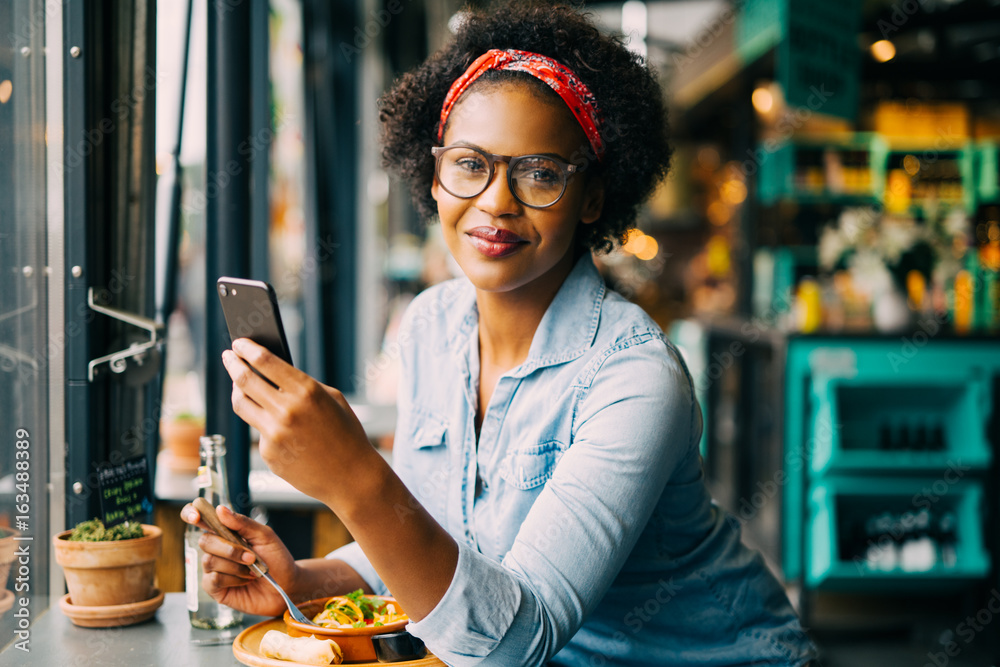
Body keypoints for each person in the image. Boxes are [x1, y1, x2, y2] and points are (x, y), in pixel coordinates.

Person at [181, 2, 819, 665]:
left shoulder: (635, 379)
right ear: (433, 175)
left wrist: (354, 478)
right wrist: (304, 580)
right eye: (469, 163)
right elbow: (445, 537)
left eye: (539, 172)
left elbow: (515, 641)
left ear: (593, 197)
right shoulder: (430, 324)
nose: (495, 200)